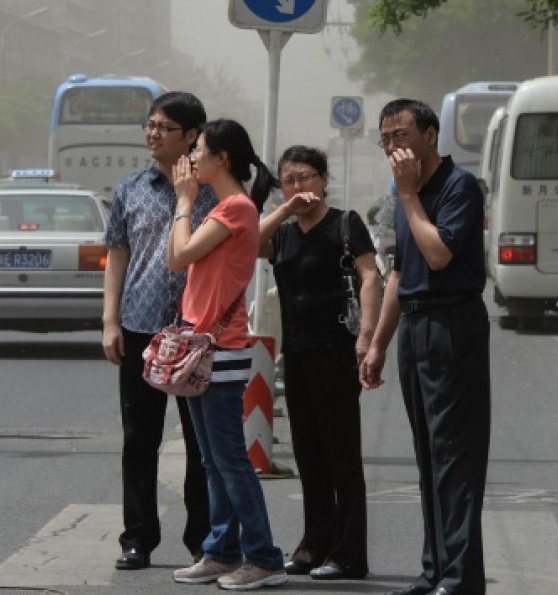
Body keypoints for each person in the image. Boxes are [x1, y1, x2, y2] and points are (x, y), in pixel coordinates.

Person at [359, 99, 491, 595]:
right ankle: (434, 569)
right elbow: (399, 271)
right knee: (428, 457)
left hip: (452, 323)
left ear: (430, 135)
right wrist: (376, 344)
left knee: (455, 456)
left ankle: (459, 578)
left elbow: (437, 256)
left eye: (401, 135)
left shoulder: (459, 187)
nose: (393, 147)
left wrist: (411, 197)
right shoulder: (402, 190)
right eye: (386, 138)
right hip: (415, 329)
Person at [166, 119, 287, 590]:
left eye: (198, 150)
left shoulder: (233, 208)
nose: (191, 158)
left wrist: (182, 201)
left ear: (223, 159)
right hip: (203, 347)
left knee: (231, 460)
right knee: (212, 461)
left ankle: (263, 556)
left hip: (222, 350)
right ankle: (221, 549)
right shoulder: (228, 207)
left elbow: (177, 257)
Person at [102, 91, 216, 570]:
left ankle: (203, 539)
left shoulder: (214, 190)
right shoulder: (131, 190)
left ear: (191, 136)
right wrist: (109, 320)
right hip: (139, 329)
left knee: (201, 444)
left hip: (196, 333)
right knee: (138, 439)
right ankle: (138, 538)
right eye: (149, 126)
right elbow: (118, 255)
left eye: (163, 127)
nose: (152, 134)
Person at [256, 145, 380, 581]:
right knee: (309, 457)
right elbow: (249, 244)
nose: (298, 186)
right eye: (289, 180)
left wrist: (367, 336)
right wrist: (284, 209)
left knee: (341, 458)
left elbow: (370, 276)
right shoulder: (285, 233)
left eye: (305, 177)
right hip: (299, 355)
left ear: (324, 179)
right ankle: (313, 545)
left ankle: (349, 554)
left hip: (337, 353)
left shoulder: (345, 224)